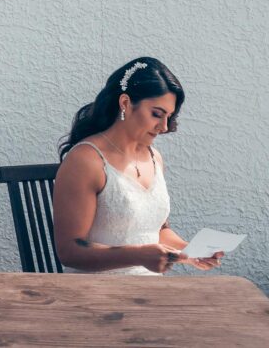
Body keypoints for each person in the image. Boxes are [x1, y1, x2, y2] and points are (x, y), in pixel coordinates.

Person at [53, 57, 225, 275]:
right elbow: (69, 252)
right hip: (95, 293)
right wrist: (138, 256)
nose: (163, 127)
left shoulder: (154, 158)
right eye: (157, 114)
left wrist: (191, 251)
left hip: (148, 291)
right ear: (125, 103)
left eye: (169, 117)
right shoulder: (86, 161)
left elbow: (157, 231)